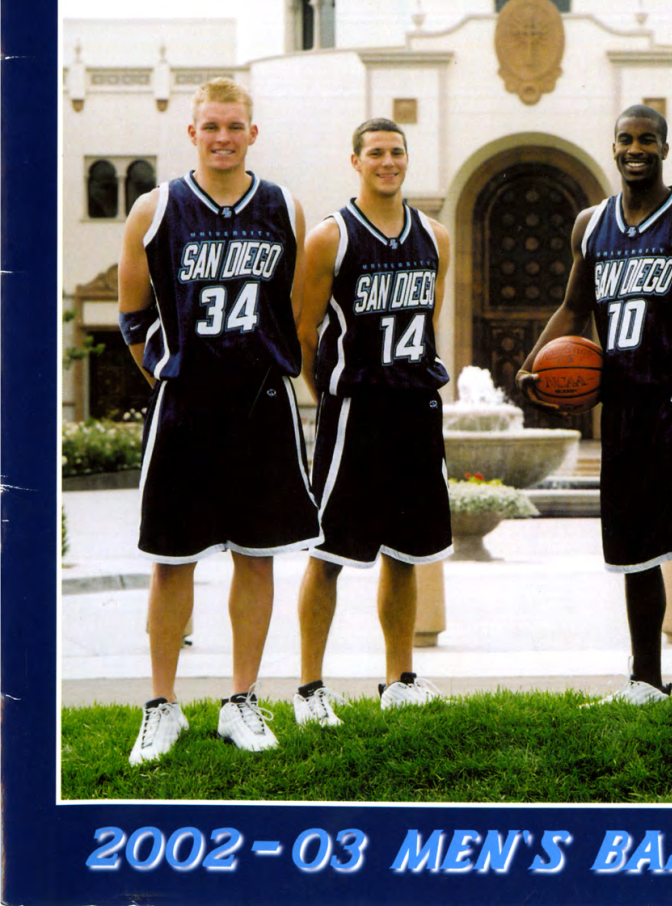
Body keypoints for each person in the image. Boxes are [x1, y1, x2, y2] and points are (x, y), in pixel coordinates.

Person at [118, 77, 321, 765]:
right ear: (193, 132)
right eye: (212, 127)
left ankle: (241, 700)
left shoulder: (285, 208)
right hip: (188, 408)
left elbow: (294, 311)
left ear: (252, 133)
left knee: (256, 555)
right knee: (171, 562)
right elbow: (131, 315)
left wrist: (273, 366)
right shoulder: (156, 208)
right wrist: (171, 379)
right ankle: (162, 706)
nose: (224, 138)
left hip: (260, 404)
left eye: (235, 127)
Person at [517, 106, 672, 718]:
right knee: (634, 548)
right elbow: (573, 306)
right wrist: (533, 363)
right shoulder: (591, 225)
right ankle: (645, 679)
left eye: (647, 140)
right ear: (612, 148)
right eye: (625, 140)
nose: (635, 149)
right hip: (622, 406)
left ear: (665, 148)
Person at [293, 119, 452, 724]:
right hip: (355, 411)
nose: (387, 162)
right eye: (376, 153)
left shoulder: (434, 236)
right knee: (329, 551)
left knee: (407, 553)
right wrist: (330, 393)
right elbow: (304, 331)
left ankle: (399, 678)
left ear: (407, 160)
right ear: (355, 160)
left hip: (414, 407)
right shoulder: (331, 237)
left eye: (397, 152)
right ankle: (311, 689)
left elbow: (429, 320)